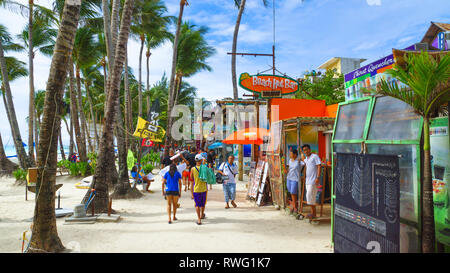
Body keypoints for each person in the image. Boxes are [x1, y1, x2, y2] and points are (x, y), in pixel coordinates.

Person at [301, 144, 322, 219]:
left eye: (307, 149)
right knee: (310, 197)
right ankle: (313, 213)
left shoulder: (315, 156)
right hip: (307, 181)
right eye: (304, 150)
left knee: (309, 196)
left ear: (310, 149)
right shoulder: (306, 159)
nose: (306, 151)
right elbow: (304, 162)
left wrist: (318, 177)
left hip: (313, 180)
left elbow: (319, 165)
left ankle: (313, 213)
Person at [284, 149, 304, 213]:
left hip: (295, 179)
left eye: (291, 154)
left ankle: (295, 207)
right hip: (289, 178)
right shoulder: (290, 161)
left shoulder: (298, 161)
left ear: (295, 154)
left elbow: (304, 162)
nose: (290, 155)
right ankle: (293, 204)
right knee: (291, 192)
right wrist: (286, 171)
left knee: (293, 192)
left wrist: (301, 153)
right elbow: (289, 168)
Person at [190, 154, 208, 225]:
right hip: (203, 188)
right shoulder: (204, 168)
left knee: (197, 205)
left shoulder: (193, 169)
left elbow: (191, 177)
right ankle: (202, 214)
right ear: (201, 160)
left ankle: (199, 219)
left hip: (196, 189)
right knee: (203, 204)